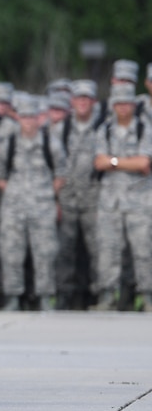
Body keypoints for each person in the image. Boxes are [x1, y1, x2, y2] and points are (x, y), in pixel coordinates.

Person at [0, 95, 66, 310]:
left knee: (45, 252)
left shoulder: (50, 143)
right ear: (18, 118)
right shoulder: (10, 143)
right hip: (13, 205)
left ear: (38, 118)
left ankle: (45, 298)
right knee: (11, 252)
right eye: (23, 117)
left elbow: (61, 175)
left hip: (42, 205)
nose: (27, 121)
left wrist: (43, 193)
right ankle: (13, 298)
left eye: (31, 117)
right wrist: (16, 191)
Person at [92, 82, 152, 311]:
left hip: (140, 201)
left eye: (126, 103)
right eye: (118, 103)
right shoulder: (104, 129)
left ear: (133, 105)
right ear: (112, 105)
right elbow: (98, 162)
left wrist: (113, 161)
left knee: (144, 251)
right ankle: (107, 297)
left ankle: (147, 298)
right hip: (110, 201)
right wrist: (128, 163)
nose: (122, 107)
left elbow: (144, 162)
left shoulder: (145, 128)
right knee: (108, 250)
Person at [54, 79, 103, 309]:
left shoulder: (104, 127)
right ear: (72, 101)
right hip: (68, 198)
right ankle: (65, 295)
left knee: (97, 250)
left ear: (93, 101)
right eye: (78, 98)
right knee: (65, 249)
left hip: (95, 199)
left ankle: (99, 295)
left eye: (87, 98)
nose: (82, 102)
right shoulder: (61, 128)